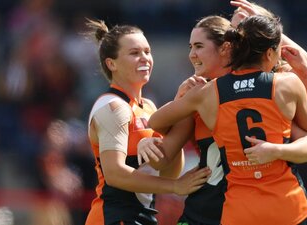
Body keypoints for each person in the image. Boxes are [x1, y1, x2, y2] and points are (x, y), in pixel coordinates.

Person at [148, 15, 307, 225]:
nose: (192, 55)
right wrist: (149, 140)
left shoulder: (204, 96)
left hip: (238, 209)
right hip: (217, 209)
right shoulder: (202, 94)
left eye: (198, 46)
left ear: (226, 48)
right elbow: (161, 156)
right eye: (190, 47)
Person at [83, 19, 211, 225]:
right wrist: (176, 186)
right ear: (111, 63)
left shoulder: (149, 106)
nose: (145, 58)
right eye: (134, 53)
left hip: (143, 215)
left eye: (147, 51)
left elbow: (169, 169)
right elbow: (115, 174)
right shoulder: (113, 107)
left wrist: (179, 110)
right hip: (115, 217)